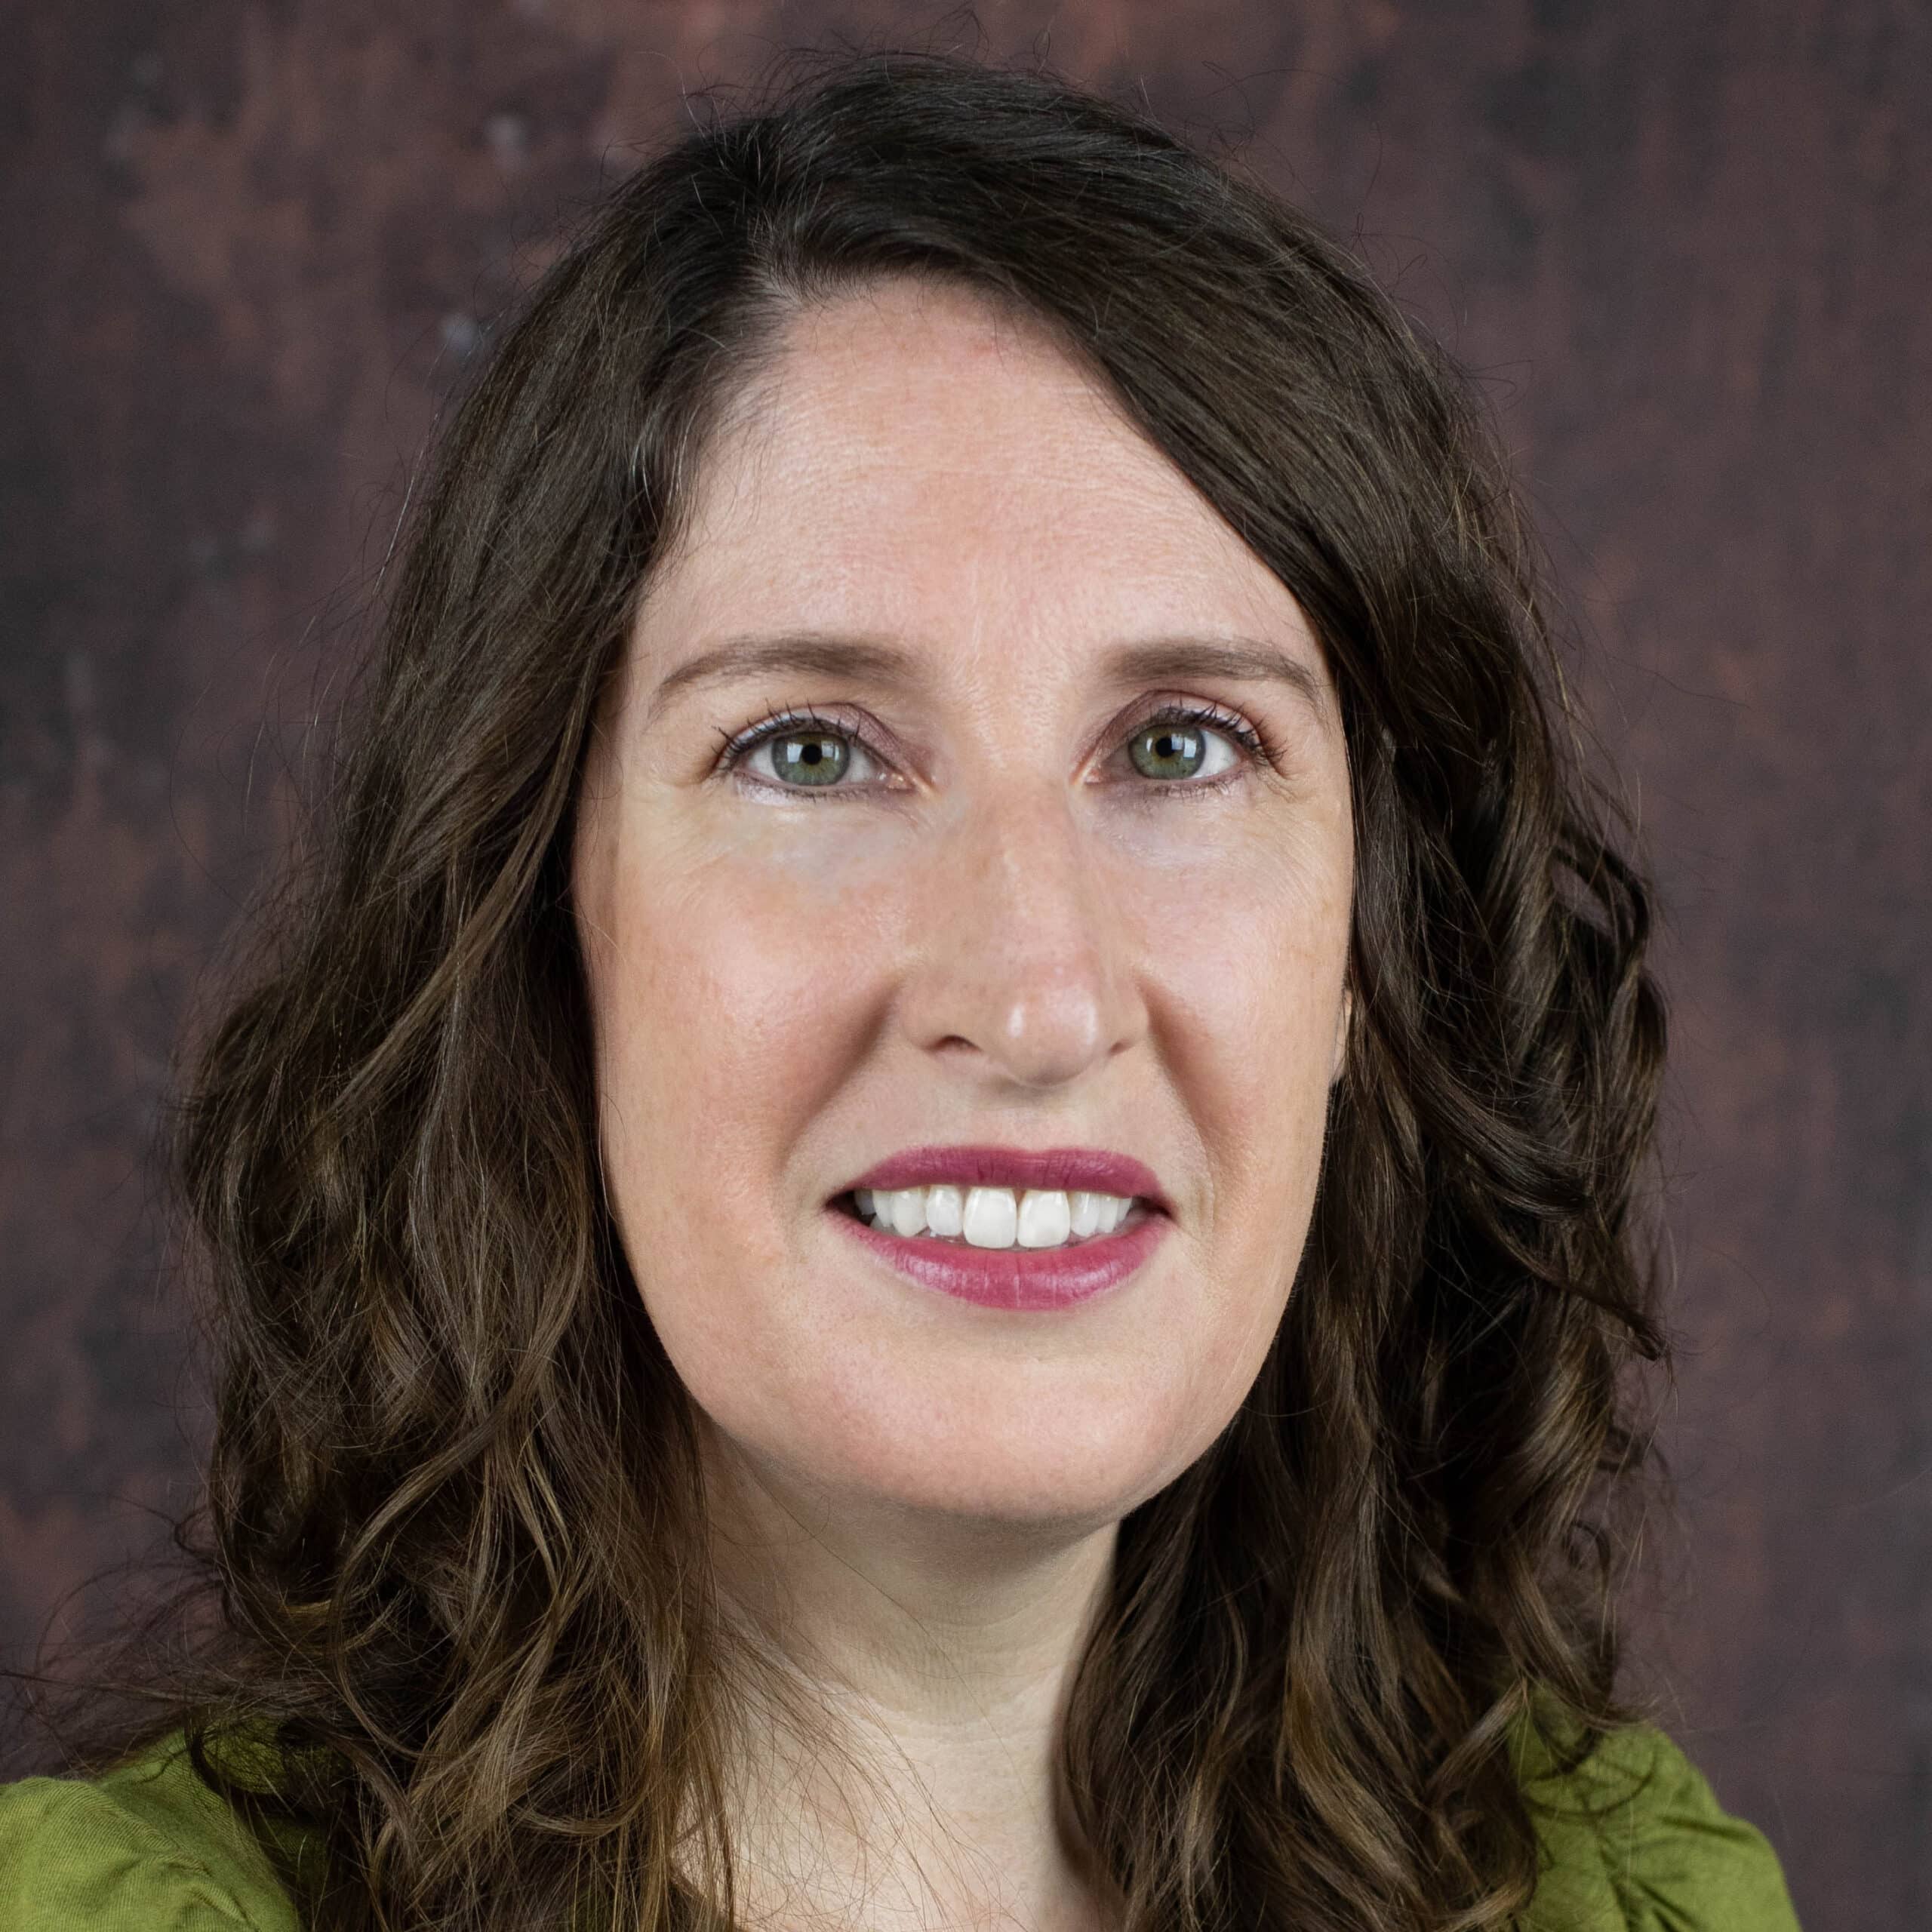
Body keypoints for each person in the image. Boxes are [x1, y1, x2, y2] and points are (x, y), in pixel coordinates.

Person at [0, 48, 1801, 1932]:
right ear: (541, 923)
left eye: (1182, 747)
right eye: (811, 754)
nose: (1032, 998)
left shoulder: (1602, 1889)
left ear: (1366, 953)